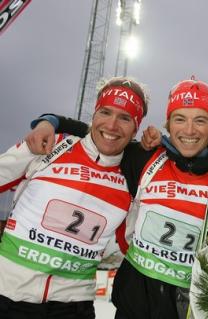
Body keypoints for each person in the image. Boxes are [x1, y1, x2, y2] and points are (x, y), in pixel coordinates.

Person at [26, 77, 208, 319]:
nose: (189, 130)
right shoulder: (143, 158)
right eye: (179, 119)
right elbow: (102, 135)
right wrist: (51, 122)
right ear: (168, 125)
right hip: (134, 304)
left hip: (188, 307)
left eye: (200, 120)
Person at [0, 77, 148, 319]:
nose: (111, 125)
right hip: (8, 296)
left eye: (124, 118)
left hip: (73, 305)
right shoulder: (51, 144)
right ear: (94, 114)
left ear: (136, 127)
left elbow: (127, 245)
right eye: (105, 112)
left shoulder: (132, 178)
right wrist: (50, 121)